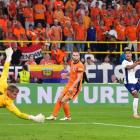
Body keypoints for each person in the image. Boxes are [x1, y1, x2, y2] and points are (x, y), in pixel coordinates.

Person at [0, 48, 45, 122]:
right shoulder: (2, 83)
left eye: (16, 94)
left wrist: (33, 117)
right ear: (8, 91)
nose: (15, 96)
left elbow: (19, 114)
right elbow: (6, 69)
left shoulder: (8, 102)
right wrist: (8, 57)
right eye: (14, 94)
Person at [46, 52, 84, 120]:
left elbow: (79, 78)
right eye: (74, 55)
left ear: (79, 57)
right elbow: (72, 72)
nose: (75, 56)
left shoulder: (80, 65)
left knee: (63, 101)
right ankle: (54, 115)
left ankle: (68, 117)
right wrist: (66, 75)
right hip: (69, 84)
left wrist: (72, 87)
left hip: (75, 87)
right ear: (72, 56)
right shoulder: (72, 62)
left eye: (77, 55)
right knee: (60, 98)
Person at [121, 48, 140, 118]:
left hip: (135, 81)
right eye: (126, 53)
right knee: (135, 95)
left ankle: (135, 114)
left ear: (131, 54)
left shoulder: (132, 61)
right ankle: (135, 114)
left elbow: (133, 64)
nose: (127, 54)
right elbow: (129, 67)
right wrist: (137, 63)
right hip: (128, 83)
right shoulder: (124, 62)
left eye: (129, 53)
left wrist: (137, 62)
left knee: (136, 96)